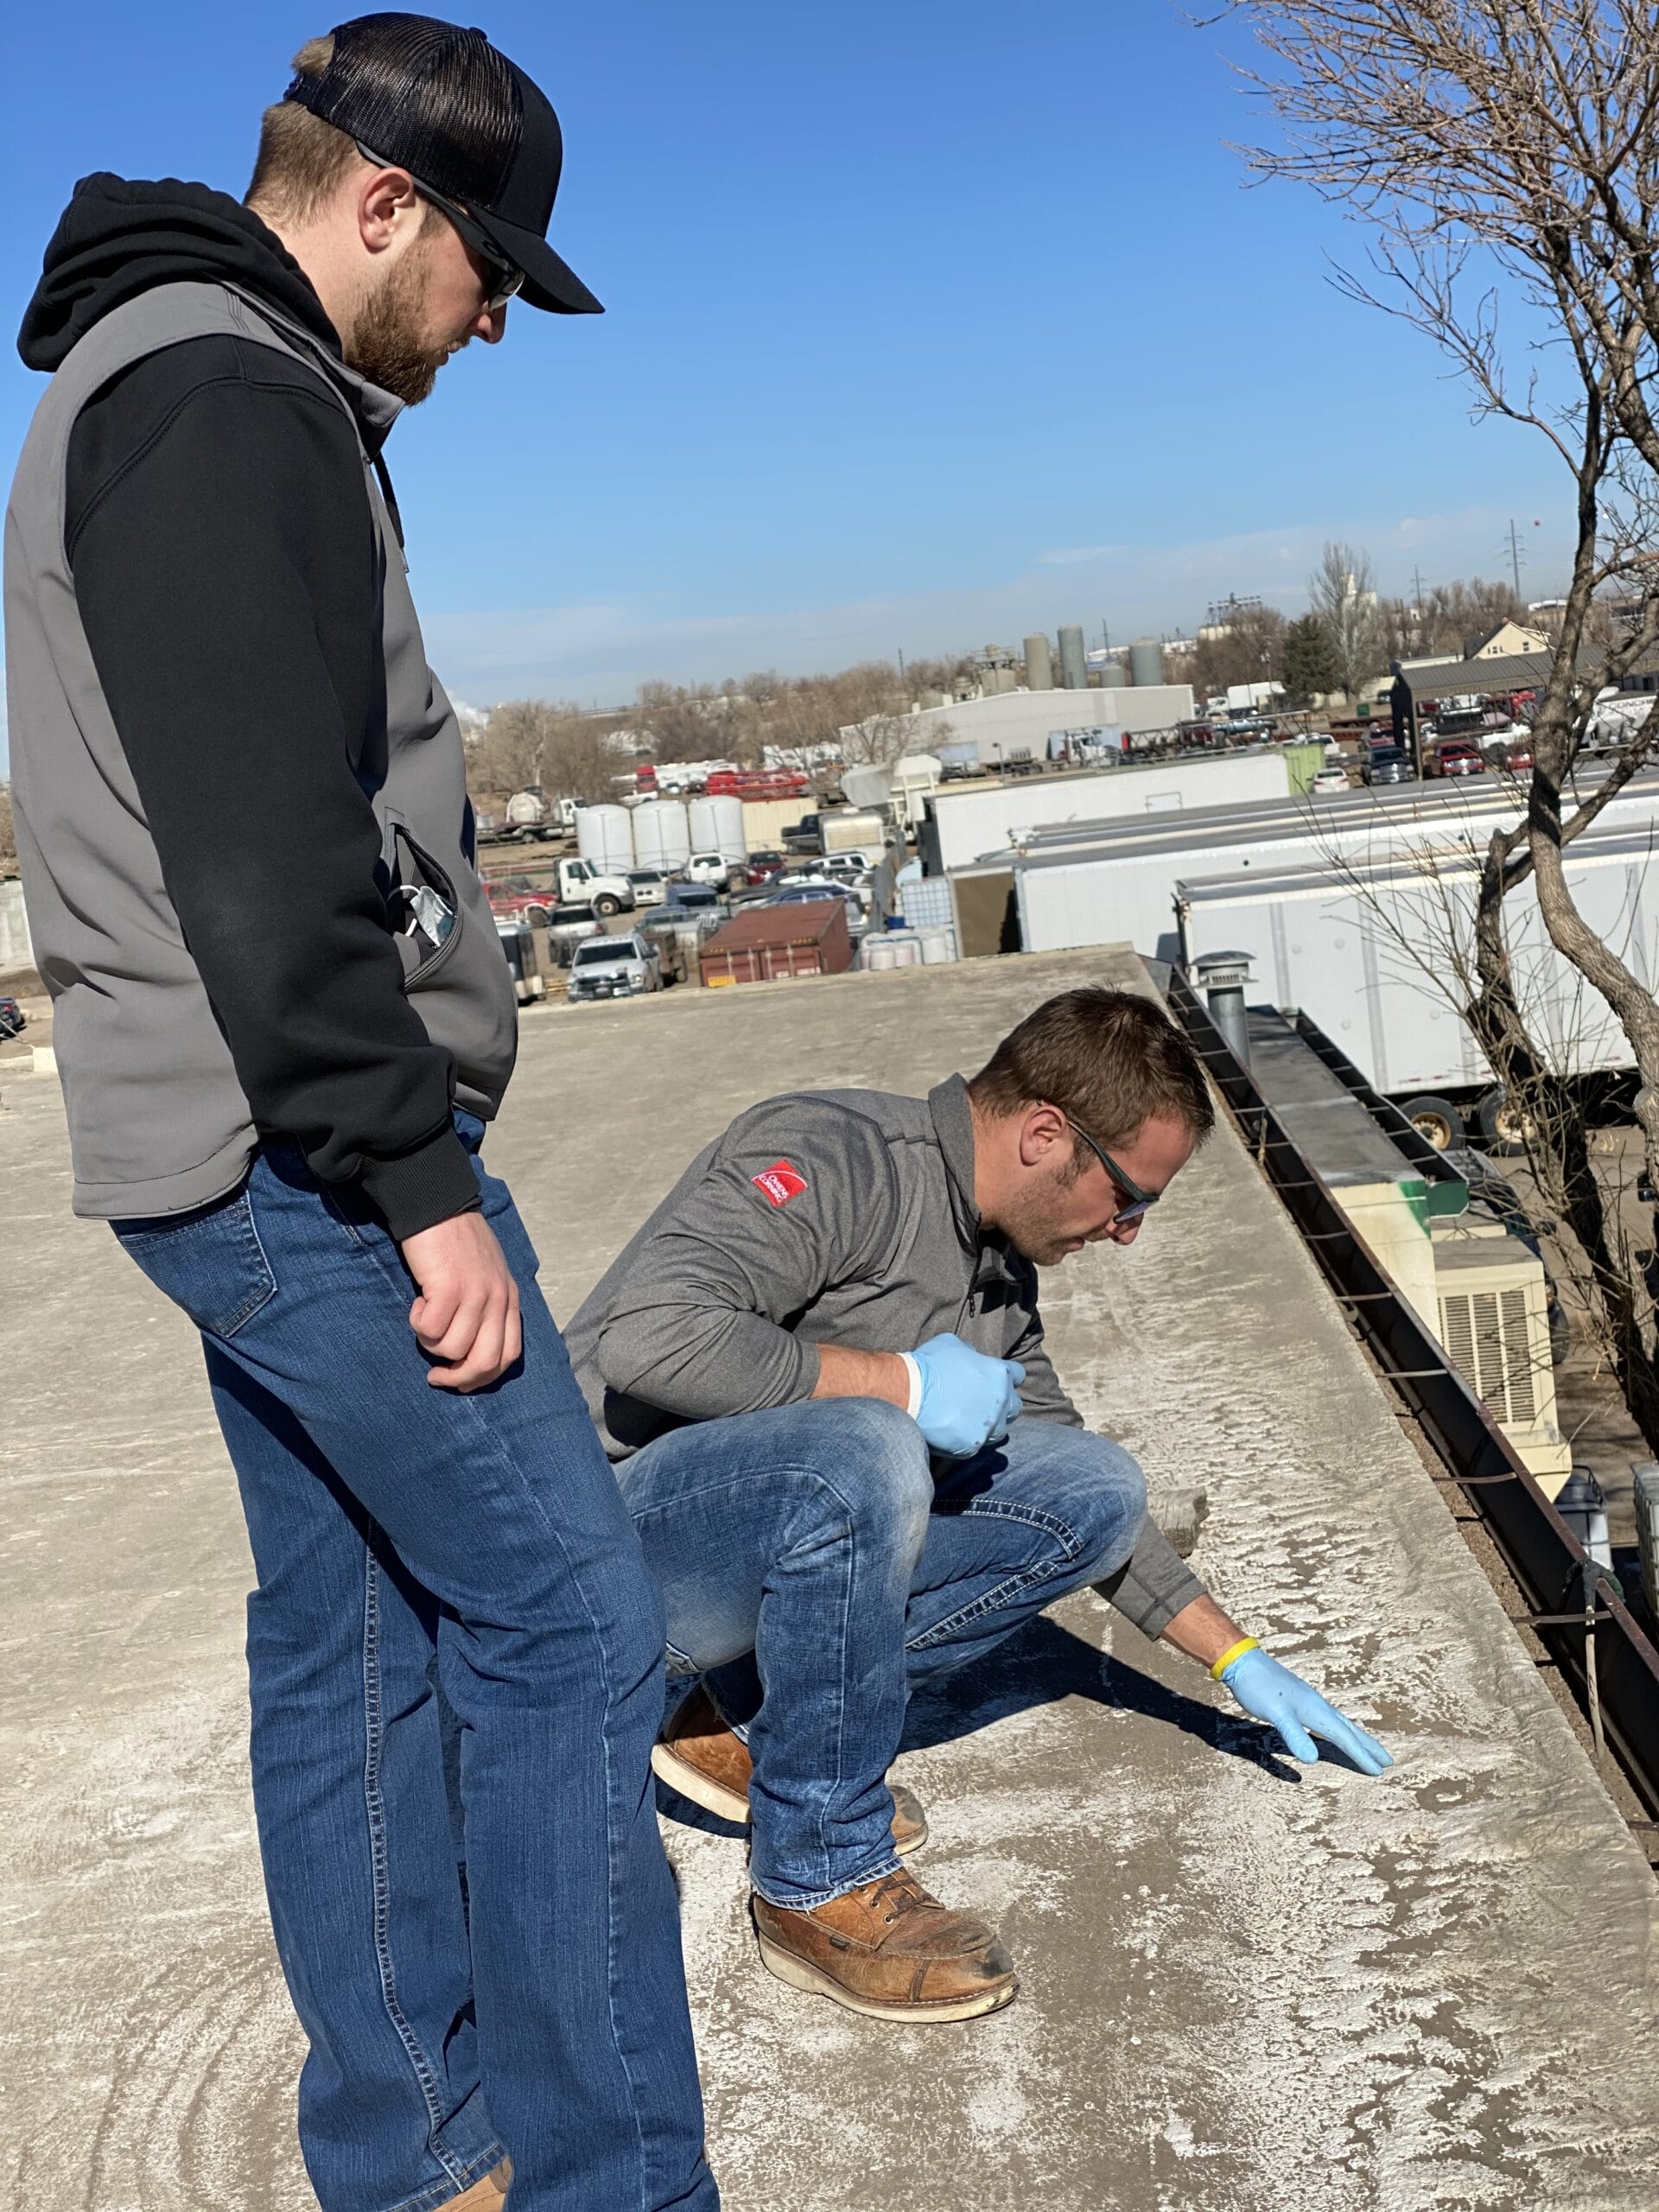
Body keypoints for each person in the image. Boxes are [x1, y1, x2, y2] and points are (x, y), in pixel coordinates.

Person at [7, 19, 715, 2211]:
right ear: (382, 202)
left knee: (356, 1626)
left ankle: (415, 2152)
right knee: (573, 1620)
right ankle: (611, 2179)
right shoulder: (224, 396)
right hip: (299, 1152)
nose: (494, 312)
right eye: (488, 262)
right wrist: (416, 1182)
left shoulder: (172, 371)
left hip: (237, 1138)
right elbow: (259, 854)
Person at [567, 986, 1392, 2025]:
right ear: (1048, 1133)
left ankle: (744, 1710)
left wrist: (1237, 1659)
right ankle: (818, 1875)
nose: (1128, 1233)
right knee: (864, 1448)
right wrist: (899, 1386)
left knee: (1095, 1483)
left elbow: (1076, 1496)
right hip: (603, 1547)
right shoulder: (836, 1154)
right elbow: (653, 1341)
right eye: (1129, 1197)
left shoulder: (999, 1280)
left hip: (736, 1565)